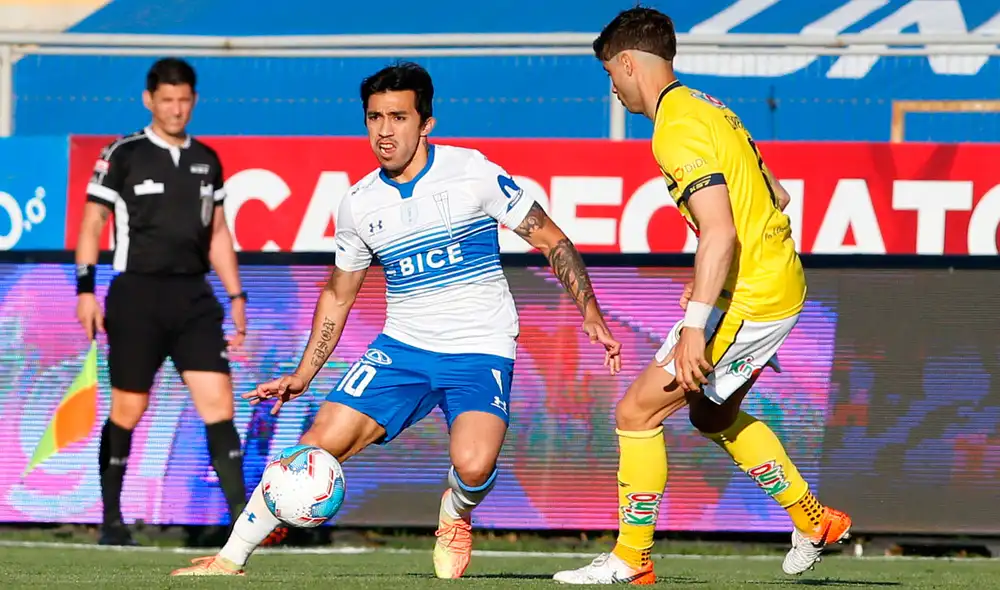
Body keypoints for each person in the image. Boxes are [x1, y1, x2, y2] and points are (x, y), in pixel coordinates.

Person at [170, 61, 622, 578]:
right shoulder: (359, 203)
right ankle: (230, 558)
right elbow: (339, 295)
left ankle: (455, 513)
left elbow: (552, 240)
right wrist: (304, 373)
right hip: (403, 347)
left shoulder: (473, 172)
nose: (384, 131)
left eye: (398, 117)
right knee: (315, 445)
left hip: (481, 347)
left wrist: (590, 312)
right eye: (374, 117)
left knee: (474, 465)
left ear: (425, 122)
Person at [553, 8, 853, 585]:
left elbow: (720, 230)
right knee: (712, 411)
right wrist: (713, 280)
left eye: (610, 75)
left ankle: (632, 558)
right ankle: (813, 520)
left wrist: (696, 324)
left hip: (752, 298)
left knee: (636, 412)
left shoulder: (675, 127)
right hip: (769, 285)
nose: (612, 89)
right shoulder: (709, 106)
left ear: (627, 64)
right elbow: (777, 196)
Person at [75, 57, 249, 546]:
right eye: (167, 100)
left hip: (194, 296)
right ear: (149, 100)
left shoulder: (208, 159)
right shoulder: (122, 153)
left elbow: (217, 232)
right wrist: (85, 290)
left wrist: (235, 294)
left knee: (219, 404)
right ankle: (111, 520)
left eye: (184, 100)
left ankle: (242, 523)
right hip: (136, 295)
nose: (176, 109)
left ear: (194, 101)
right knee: (129, 407)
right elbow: (92, 224)